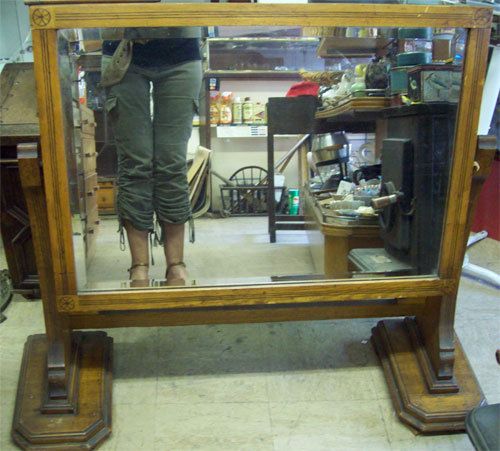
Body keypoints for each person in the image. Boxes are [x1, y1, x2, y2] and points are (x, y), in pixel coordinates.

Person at [101, 26, 202, 285]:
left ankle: (176, 265)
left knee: (172, 163)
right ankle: (139, 266)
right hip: (123, 51)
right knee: (136, 163)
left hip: (181, 50)